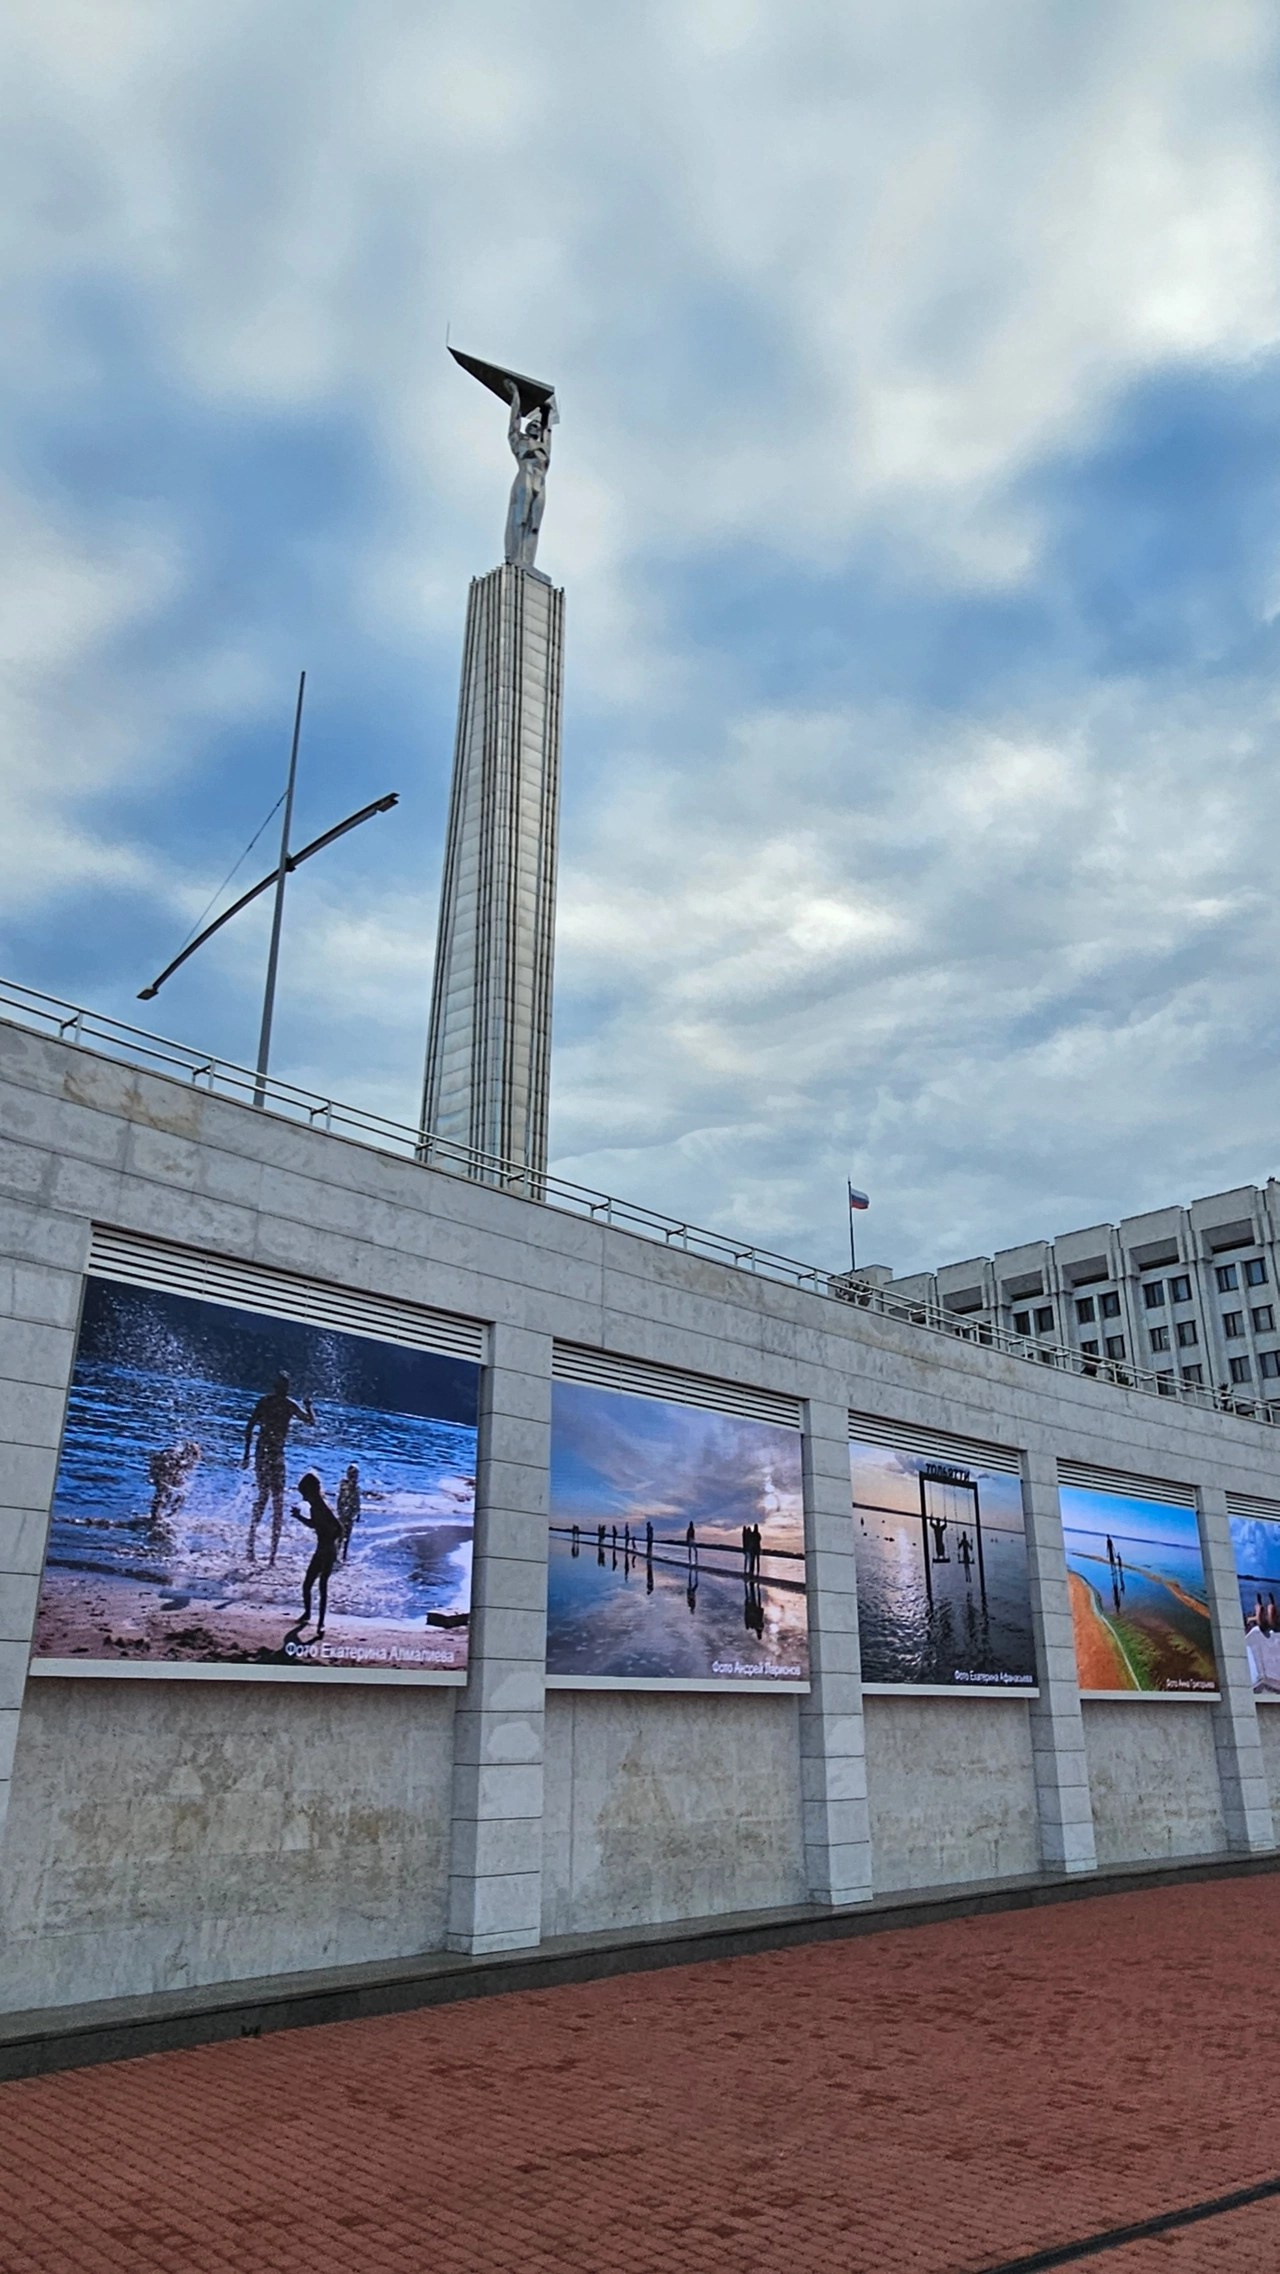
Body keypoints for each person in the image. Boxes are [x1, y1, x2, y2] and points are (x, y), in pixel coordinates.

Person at [243, 1374, 315, 1565]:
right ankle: (257, 1550)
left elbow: (249, 1428)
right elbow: (310, 1421)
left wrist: (246, 1455)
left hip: (268, 1453)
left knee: (272, 1499)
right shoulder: (280, 1403)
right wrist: (246, 1455)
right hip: (269, 1454)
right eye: (283, 1386)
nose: (285, 1389)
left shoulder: (277, 1403)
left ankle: (265, 1553)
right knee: (270, 1499)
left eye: (286, 1386)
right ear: (279, 1387)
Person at [291, 1472, 342, 1638]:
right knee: (307, 1584)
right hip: (320, 1550)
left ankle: (321, 1622)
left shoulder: (322, 1506)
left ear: (311, 1491)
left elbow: (339, 1528)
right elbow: (314, 1524)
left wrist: (330, 1543)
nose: (304, 1498)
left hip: (327, 1551)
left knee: (322, 1586)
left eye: (304, 1494)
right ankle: (307, 1613)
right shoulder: (314, 1507)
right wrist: (299, 1517)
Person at [147, 1439, 201, 1526]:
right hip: (164, 1469)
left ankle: (159, 1516)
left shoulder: (180, 1464)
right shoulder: (177, 1463)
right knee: (165, 1491)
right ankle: (158, 1516)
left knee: (167, 1492)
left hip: (165, 1469)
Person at [336, 1464, 361, 1563]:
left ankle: (342, 1556)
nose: (354, 1477)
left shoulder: (355, 1486)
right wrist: (340, 1510)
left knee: (346, 1536)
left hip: (350, 1513)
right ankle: (339, 1555)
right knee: (342, 1535)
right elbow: (341, 1498)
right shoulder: (346, 1485)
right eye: (353, 1474)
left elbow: (357, 1501)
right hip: (345, 1513)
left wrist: (358, 1512)